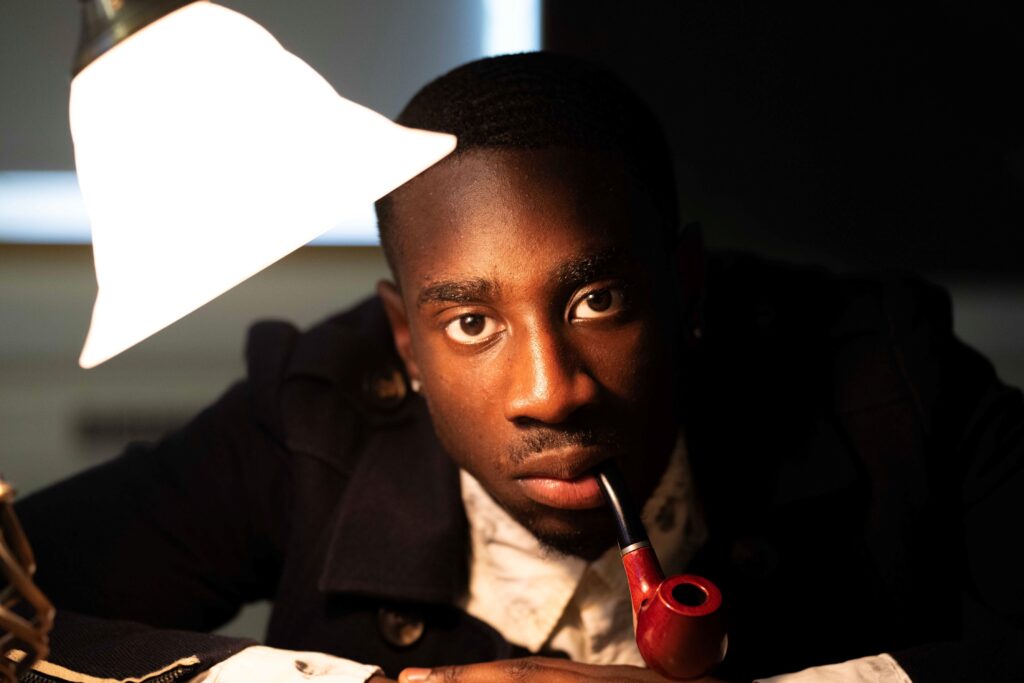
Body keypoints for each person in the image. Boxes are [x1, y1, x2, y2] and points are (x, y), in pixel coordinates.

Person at [14, 52, 1024, 683]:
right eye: (467, 324)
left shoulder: (883, 371)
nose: (552, 388)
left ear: (686, 291)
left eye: (597, 300)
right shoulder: (310, 410)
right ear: (403, 341)